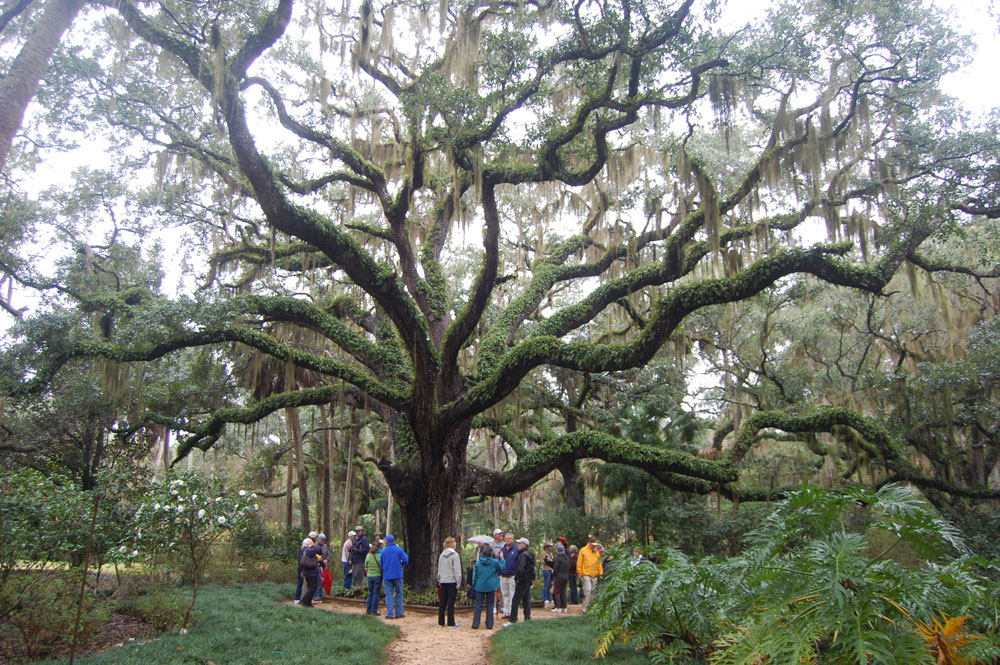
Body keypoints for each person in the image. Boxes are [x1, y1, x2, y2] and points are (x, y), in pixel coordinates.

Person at [471, 543, 504, 630]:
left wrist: (473, 584)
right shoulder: (495, 562)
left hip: (479, 586)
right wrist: (502, 558)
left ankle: (475, 624)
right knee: (490, 605)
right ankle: (489, 624)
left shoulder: (478, 563)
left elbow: (475, 575)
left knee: (478, 605)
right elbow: (502, 567)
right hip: (491, 586)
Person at [503, 538, 535, 627]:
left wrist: (518, 578)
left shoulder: (523, 556)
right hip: (528, 580)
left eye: (520, 543)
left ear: (525, 545)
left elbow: (521, 569)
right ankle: (527, 618)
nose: (518, 545)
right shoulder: (529, 555)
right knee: (526, 600)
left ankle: (512, 620)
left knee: (515, 599)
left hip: (522, 580)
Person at [380, 534, 409, 619]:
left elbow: (381, 563)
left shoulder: (384, 551)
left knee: (389, 594)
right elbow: (406, 559)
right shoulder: (399, 550)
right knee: (399, 593)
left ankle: (390, 613)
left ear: (387, 541)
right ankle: (399, 612)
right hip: (398, 574)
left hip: (387, 575)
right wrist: (402, 566)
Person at [437, 536, 463, 628]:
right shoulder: (455, 556)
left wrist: (439, 580)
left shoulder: (441, 555)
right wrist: (458, 582)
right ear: (452, 544)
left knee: (442, 601)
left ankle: (441, 622)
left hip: (443, 580)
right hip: (452, 581)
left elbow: (439, 569)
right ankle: (451, 623)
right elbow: (457, 570)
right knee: (451, 602)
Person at [577, 537, 604, 613]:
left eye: (595, 545)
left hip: (594, 574)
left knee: (593, 591)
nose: (594, 546)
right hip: (586, 573)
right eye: (592, 544)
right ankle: (584, 606)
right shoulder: (583, 550)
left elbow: (599, 563)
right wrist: (579, 572)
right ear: (589, 543)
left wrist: (600, 573)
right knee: (588, 589)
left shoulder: (596, 552)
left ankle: (590, 606)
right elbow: (579, 562)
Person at [298, 537, 323, 608]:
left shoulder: (303, 550)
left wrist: (302, 571)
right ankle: (304, 601)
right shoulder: (309, 550)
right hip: (312, 572)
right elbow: (318, 550)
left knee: (310, 587)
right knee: (313, 587)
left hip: (306, 572)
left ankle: (308, 603)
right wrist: (312, 546)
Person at [498, 532, 518, 617]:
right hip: (503, 576)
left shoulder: (516, 550)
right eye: (506, 538)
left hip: (512, 576)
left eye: (509, 538)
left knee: (512, 595)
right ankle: (507, 612)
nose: (508, 540)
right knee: (505, 595)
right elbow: (499, 562)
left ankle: (514, 614)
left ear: (513, 540)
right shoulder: (502, 550)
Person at [550, 543, 570, 613]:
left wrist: (554, 575)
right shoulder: (567, 558)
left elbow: (555, 568)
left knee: (557, 592)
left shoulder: (558, 558)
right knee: (563, 591)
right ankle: (564, 607)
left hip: (558, 577)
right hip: (566, 576)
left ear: (557, 551)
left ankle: (558, 607)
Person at [364, 541, 382, 615]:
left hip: (370, 576)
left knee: (370, 593)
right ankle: (374, 610)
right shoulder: (380, 555)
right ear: (378, 547)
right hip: (377, 576)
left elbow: (366, 565)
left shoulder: (368, 555)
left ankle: (368, 610)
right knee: (376, 594)